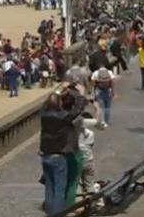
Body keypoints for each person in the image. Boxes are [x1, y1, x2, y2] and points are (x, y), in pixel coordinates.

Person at [39, 85, 87, 216]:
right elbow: (77, 109)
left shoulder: (43, 115)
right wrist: (82, 94)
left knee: (49, 188)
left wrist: (57, 91)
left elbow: (44, 105)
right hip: (58, 156)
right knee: (59, 190)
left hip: (45, 156)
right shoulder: (63, 117)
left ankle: (50, 213)